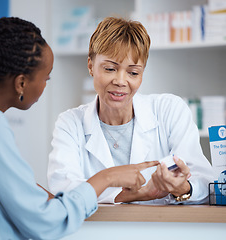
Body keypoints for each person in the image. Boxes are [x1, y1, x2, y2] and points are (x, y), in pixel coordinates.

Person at [0, 9, 159, 239]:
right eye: (46, 78)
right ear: (21, 83)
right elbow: (46, 223)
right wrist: (107, 178)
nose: (44, 86)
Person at [47, 16, 215, 204]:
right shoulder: (70, 123)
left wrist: (183, 188)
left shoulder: (169, 110)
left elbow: (204, 181)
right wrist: (140, 194)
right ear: (90, 66)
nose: (120, 81)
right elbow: (63, 188)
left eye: (133, 73)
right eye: (110, 69)